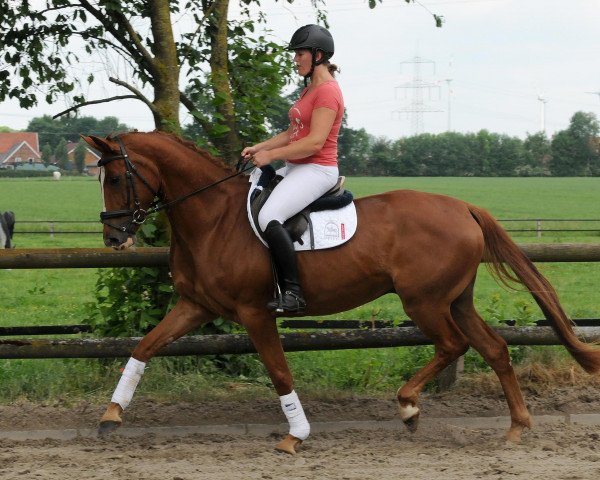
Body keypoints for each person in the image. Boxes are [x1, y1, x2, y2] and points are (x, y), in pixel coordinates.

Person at [241, 24, 344, 314]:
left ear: (318, 55)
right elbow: (292, 133)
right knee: (249, 192)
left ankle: (293, 293)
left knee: (270, 215)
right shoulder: (309, 90)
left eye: (300, 54)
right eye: (296, 54)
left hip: (317, 169)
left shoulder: (327, 93)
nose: (295, 59)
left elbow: (313, 143)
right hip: (297, 167)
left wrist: (271, 155)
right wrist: (260, 147)